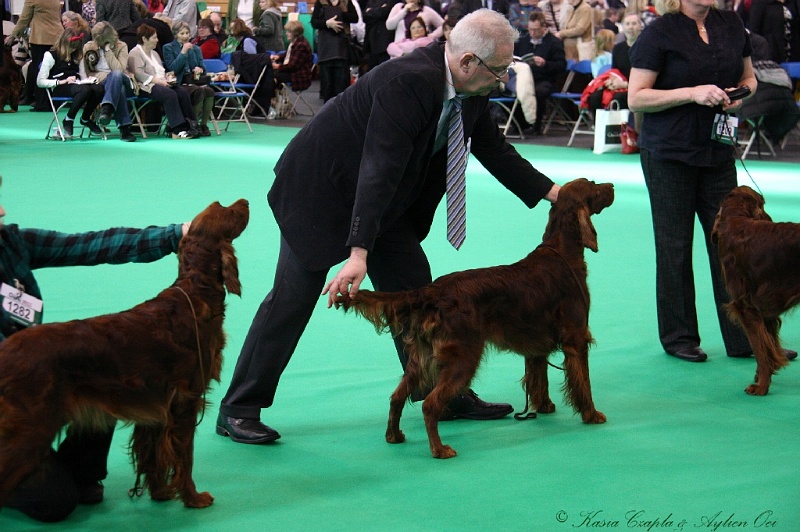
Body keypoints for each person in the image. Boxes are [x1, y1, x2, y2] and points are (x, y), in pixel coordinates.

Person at [216, 9, 560, 445]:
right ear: (469, 61)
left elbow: (494, 151)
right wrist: (358, 252)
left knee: (418, 297)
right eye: (501, 69)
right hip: (320, 191)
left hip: (382, 200)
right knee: (293, 298)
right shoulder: (409, 80)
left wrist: (556, 194)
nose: (504, 78)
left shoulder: (472, 88)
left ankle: (444, 394)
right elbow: (378, 165)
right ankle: (238, 408)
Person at [0, 174, 189, 523]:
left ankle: (75, 469)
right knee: (55, 502)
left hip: (27, 383)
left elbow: (89, 245)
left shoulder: (9, 243)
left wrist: (176, 234)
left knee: (103, 372)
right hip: (10, 393)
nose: (2, 209)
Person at [628, 0, 797, 363]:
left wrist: (740, 95)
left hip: (717, 152)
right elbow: (636, 97)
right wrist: (692, 93)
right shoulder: (658, 32)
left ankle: (746, 339)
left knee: (735, 247)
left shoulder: (732, 24)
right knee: (674, 248)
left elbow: (749, 78)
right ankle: (679, 337)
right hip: (668, 154)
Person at [127, 23, 199, 138]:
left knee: (182, 92)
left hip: (161, 83)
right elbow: (138, 74)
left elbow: (161, 70)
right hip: (144, 86)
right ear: (145, 39)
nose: (157, 40)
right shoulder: (134, 53)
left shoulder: (155, 53)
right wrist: (159, 81)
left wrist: (168, 78)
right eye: (154, 37)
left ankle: (191, 125)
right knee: (169, 94)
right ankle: (177, 129)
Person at [36, 28, 105, 139]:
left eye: (76, 47)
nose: (73, 50)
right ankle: (69, 118)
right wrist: (61, 81)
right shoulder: (51, 55)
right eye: (72, 47)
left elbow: (82, 77)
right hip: (60, 87)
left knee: (99, 88)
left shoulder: (78, 55)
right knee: (85, 90)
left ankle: (85, 118)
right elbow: (40, 82)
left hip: (77, 85)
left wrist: (89, 80)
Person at [81, 21, 137, 141]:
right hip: (102, 84)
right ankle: (125, 129)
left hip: (125, 81)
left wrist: (107, 50)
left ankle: (107, 108)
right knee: (118, 88)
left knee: (116, 75)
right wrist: (106, 76)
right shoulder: (88, 47)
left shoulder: (122, 46)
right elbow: (87, 73)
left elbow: (120, 69)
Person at [514, 11, 567, 133]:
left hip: (546, 79)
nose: (532, 33)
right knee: (509, 89)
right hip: (524, 78)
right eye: (530, 29)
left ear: (544, 27)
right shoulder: (523, 40)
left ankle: (536, 125)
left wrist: (545, 64)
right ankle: (519, 124)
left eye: (536, 30)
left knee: (539, 91)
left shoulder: (554, 42)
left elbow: (561, 66)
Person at [4, 0, 62, 110]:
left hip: (41, 39)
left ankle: (42, 103)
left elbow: (24, 19)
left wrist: (13, 36)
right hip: (57, 37)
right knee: (53, 71)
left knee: (39, 70)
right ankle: (54, 102)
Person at [163, 20, 216, 136]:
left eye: (187, 33)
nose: (185, 36)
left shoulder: (196, 49)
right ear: (176, 34)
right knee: (199, 91)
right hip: (178, 82)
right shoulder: (168, 48)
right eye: (182, 34)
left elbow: (203, 68)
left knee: (209, 91)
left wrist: (199, 69)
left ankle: (204, 124)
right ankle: (192, 124)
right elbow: (172, 68)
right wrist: (183, 52)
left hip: (194, 80)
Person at [312, 0, 359, 102]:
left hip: (342, 48)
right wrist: (327, 23)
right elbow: (314, 22)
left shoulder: (346, 2)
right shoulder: (320, 2)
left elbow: (355, 18)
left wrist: (338, 14)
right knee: (327, 86)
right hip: (326, 50)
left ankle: (342, 114)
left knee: (342, 87)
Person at [271, 20, 313, 91]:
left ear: (295, 33)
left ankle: (272, 98)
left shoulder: (301, 45)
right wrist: (278, 57)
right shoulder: (295, 42)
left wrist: (277, 66)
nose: (286, 34)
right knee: (272, 75)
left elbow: (293, 66)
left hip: (299, 76)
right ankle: (276, 97)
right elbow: (289, 54)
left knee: (272, 77)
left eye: (289, 32)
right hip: (295, 73)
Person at [363, 0, 401, 69]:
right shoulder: (371, 1)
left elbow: (385, 12)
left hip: (386, 43)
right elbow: (365, 16)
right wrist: (379, 10)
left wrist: (371, 11)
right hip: (372, 45)